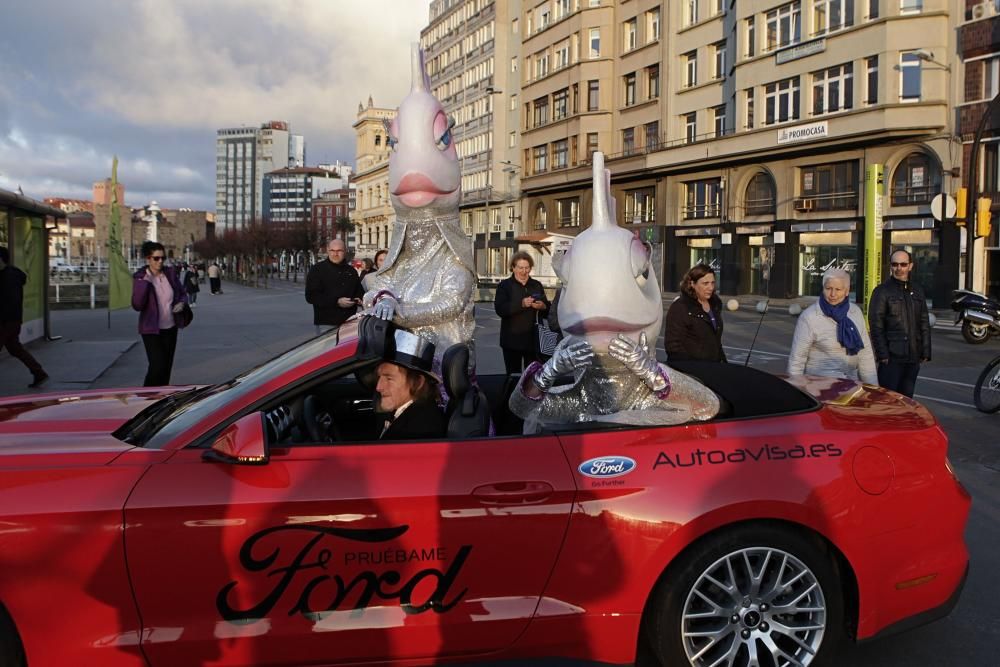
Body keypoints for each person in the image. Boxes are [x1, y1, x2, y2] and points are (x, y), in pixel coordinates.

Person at [788, 268, 878, 384]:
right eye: (828, 288)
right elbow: (797, 359)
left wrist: (873, 388)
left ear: (847, 291)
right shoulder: (809, 317)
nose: (833, 294)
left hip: (851, 384)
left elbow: (865, 355)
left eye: (838, 289)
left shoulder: (855, 312)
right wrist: (795, 391)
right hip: (820, 386)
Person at [868, 249, 932, 398]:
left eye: (903, 264)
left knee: (907, 399)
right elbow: (876, 325)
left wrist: (926, 351)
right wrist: (882, 355)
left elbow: (924, 321)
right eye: (895, 264)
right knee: (887, 400)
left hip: (913, 356)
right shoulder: (882, 291)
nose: (899, 268)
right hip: (892, 358)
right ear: (890, 266)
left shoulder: (917, 291)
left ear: (910, 266)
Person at [131, 241, 189, 386]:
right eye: (156, 258)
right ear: (148, 259)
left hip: (170, 327)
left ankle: (162, 397)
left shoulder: (169, 274)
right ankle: (146, 397)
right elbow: (137, 305)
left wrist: (181, 303)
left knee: (166, 367)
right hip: (151, 330)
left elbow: (182, 293)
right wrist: (144, 283)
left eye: (162, 258)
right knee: (157, 366)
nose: (160, 261)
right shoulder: (140, 278)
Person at [374, 330, 446, 440]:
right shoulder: (404, 412)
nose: (379, 387)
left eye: (389, 378)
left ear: (418, 382)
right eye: (379, 377)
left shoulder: (420, 431)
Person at [0, 246, 49, 388]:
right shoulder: (11, 275)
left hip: (6, 320)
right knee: (15, 348)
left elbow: (9, 301)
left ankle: (39, 372)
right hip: (12, 320)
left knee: (15, 348)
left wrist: (4, 319)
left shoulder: (8, 278)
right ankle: (39, 372)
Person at [494, 251, 550, 375]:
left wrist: (543, 306)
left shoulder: (536, 285)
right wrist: (522, 304)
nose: (524, 271)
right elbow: (500, 309)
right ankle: (511, 395)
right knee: (513, 376)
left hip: (534, 342)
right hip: (511, 342)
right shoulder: (504, 286)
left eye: (527, 268)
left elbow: (548, 311)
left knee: (534, 378)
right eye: (520, 268)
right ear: (513, 268)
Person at [665, 264, 726, 362]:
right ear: (693, 284)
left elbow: (716, 341)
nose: (710, 288)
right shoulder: (680, 307)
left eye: (712, 283)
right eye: (705, 283)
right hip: (691, 371)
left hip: (714, 368)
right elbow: (673, 347)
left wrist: (723, 364)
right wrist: (694, 368)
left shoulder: (715, 304)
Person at [305, 239, 363, 336]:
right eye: (332, 250)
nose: (335, 254)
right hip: (327, 323)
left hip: (349, 322)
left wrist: (359, 299)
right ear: (328, 251)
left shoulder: (351, 271)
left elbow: (359, 291)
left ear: (345, 251)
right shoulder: (317, 269)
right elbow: (311, 296)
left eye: (339, 251)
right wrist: (337, 301)